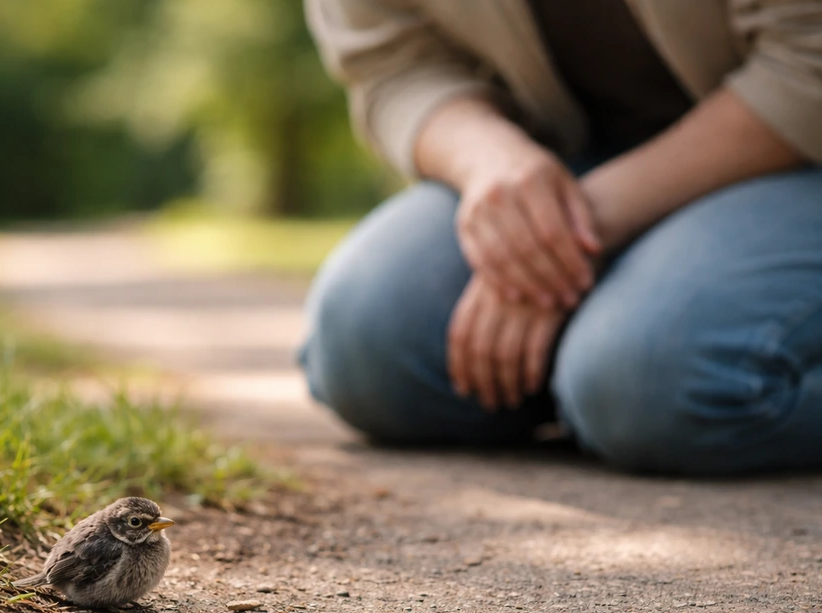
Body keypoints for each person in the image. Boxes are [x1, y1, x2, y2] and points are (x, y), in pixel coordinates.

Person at [299, 0, 822, 474]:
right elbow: (393, 65)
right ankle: (587, 382)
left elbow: (807, 59)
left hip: (797, 153)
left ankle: (608, 383)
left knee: (656, 380)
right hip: (562, 148)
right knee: (366, 346)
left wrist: (568, 228)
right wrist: (491, 161)